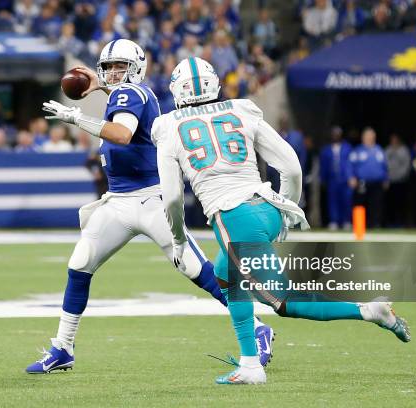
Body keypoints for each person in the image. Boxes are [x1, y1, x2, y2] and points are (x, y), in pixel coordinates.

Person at [152, 57, 410, 385]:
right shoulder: (241, 110)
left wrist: (177, 239)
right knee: (224, 273)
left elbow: (172, 198)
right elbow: (291, 167)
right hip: (268, 207)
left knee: (283, 301)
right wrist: (286, 209)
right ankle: (249, 360)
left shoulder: (168, 126)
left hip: (234, 216)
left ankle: (368, 311)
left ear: (177, 91)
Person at [26, 39, 274, 374]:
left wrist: (75, 117)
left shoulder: (132, 94)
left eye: (121, 67)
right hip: (118, 201)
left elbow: (122, 134)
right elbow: (122, 107)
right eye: (109, 67)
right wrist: (101, 88)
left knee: (194, 267)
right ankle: (63, 347)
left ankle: (258, 326)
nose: (114, 73)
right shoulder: (129, 94)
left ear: (137, 68)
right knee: (80, 263)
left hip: (150, 198)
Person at [349, 127, 388, 228]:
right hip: (362, 182)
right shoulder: (357, 151)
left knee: (376, 205)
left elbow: (385, 166)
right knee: (360, 204)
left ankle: (375, 224)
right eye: (368, 136)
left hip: (377, 183)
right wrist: (351, 177)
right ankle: (359, 225)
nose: (370, 138)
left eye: (372, 136)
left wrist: (386, 179)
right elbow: (350, 165)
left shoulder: (379, 150)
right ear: (363, 137)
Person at [320, 126, 353, 230]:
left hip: (345, 179)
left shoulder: (347, 148)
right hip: (332, 179)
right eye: (334, 134)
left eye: (337, 134)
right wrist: (322, 179)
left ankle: (346, 221)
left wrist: (352, 176)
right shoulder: (326, 150)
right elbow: (323, 165)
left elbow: (351, 164)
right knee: (332, 201)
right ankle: (334, 220)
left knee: (346, 200)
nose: (336, 136)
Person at [385, 133, 411, 227]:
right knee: (390, 203)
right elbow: (384, 165)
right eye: (392, 139)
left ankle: (401, 222)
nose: (394, 141)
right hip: (390, 181)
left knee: (401, 203)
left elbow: (406, 165)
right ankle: (390, 222)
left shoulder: (404, 150)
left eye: (395, 139)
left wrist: (399, 176)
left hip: (401, 181)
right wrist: (387, 177)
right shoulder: (387, 150)